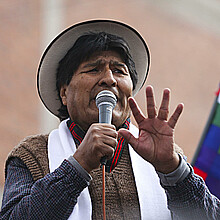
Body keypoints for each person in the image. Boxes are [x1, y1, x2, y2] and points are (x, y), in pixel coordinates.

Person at [0, 19, 219, 220]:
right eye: (94, 69)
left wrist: (173, 169)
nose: (109, 79)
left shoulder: (165, 157)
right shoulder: (32, 154)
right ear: (64, 93)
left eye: (119, 71)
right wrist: (78, 166)